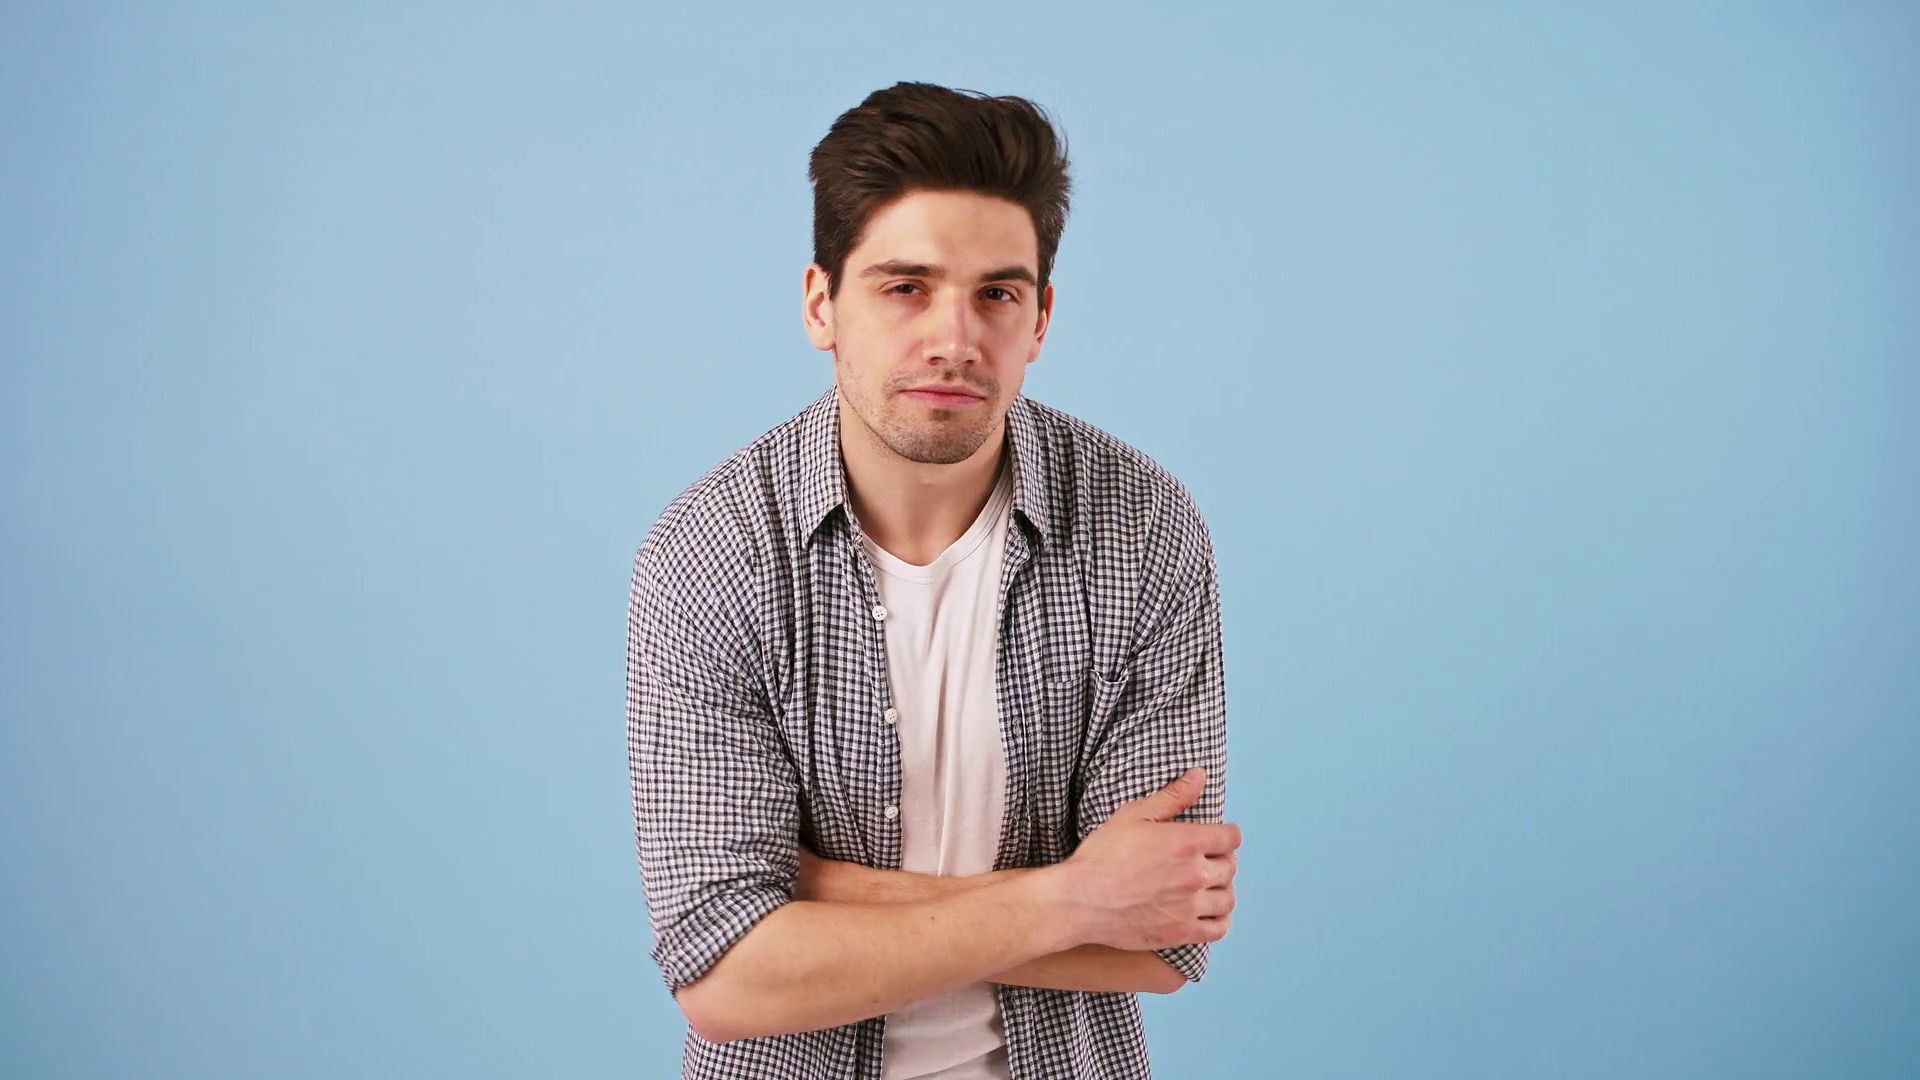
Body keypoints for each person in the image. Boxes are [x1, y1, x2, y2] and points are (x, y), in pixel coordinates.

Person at [625, 81, 1238, 1080]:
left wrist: (818, 892)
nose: (954, 339)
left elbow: (1163, 940)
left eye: (996, 294)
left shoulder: (1141, 527)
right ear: (822, 304)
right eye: (905, 287)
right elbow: (724, 977)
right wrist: (1076, 897)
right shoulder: (712, 552)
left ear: (1040, 318)